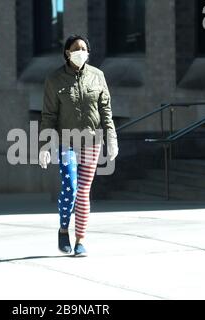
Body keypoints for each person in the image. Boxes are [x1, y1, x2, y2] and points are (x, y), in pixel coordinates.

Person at [38, 34, 118, 257]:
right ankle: (64, 230)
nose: (81, 51)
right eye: (76, 48)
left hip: (92, 141)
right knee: (70, 187)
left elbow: (106, 111)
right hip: (66, 142)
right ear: (67, 53)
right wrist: (44, 145)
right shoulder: (54, 80)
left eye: (84, 48)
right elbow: (48, 115)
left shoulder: (98, 76)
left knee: (83, 192)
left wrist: (111, 138)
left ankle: (80, 239)